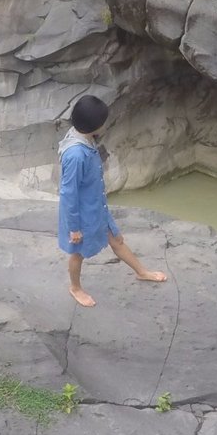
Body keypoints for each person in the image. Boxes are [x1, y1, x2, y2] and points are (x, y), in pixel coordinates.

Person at [57, 95, 167, 307]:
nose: (106, 124)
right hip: (81, 215)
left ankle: (142, 272)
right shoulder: (76, 155)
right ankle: (75, 288)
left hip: (97, 207)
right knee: (77, 253)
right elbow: (68, 193)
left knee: (117, 240)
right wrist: (74, 228)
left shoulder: (85, 139)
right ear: (95, 126)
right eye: (103, 121)